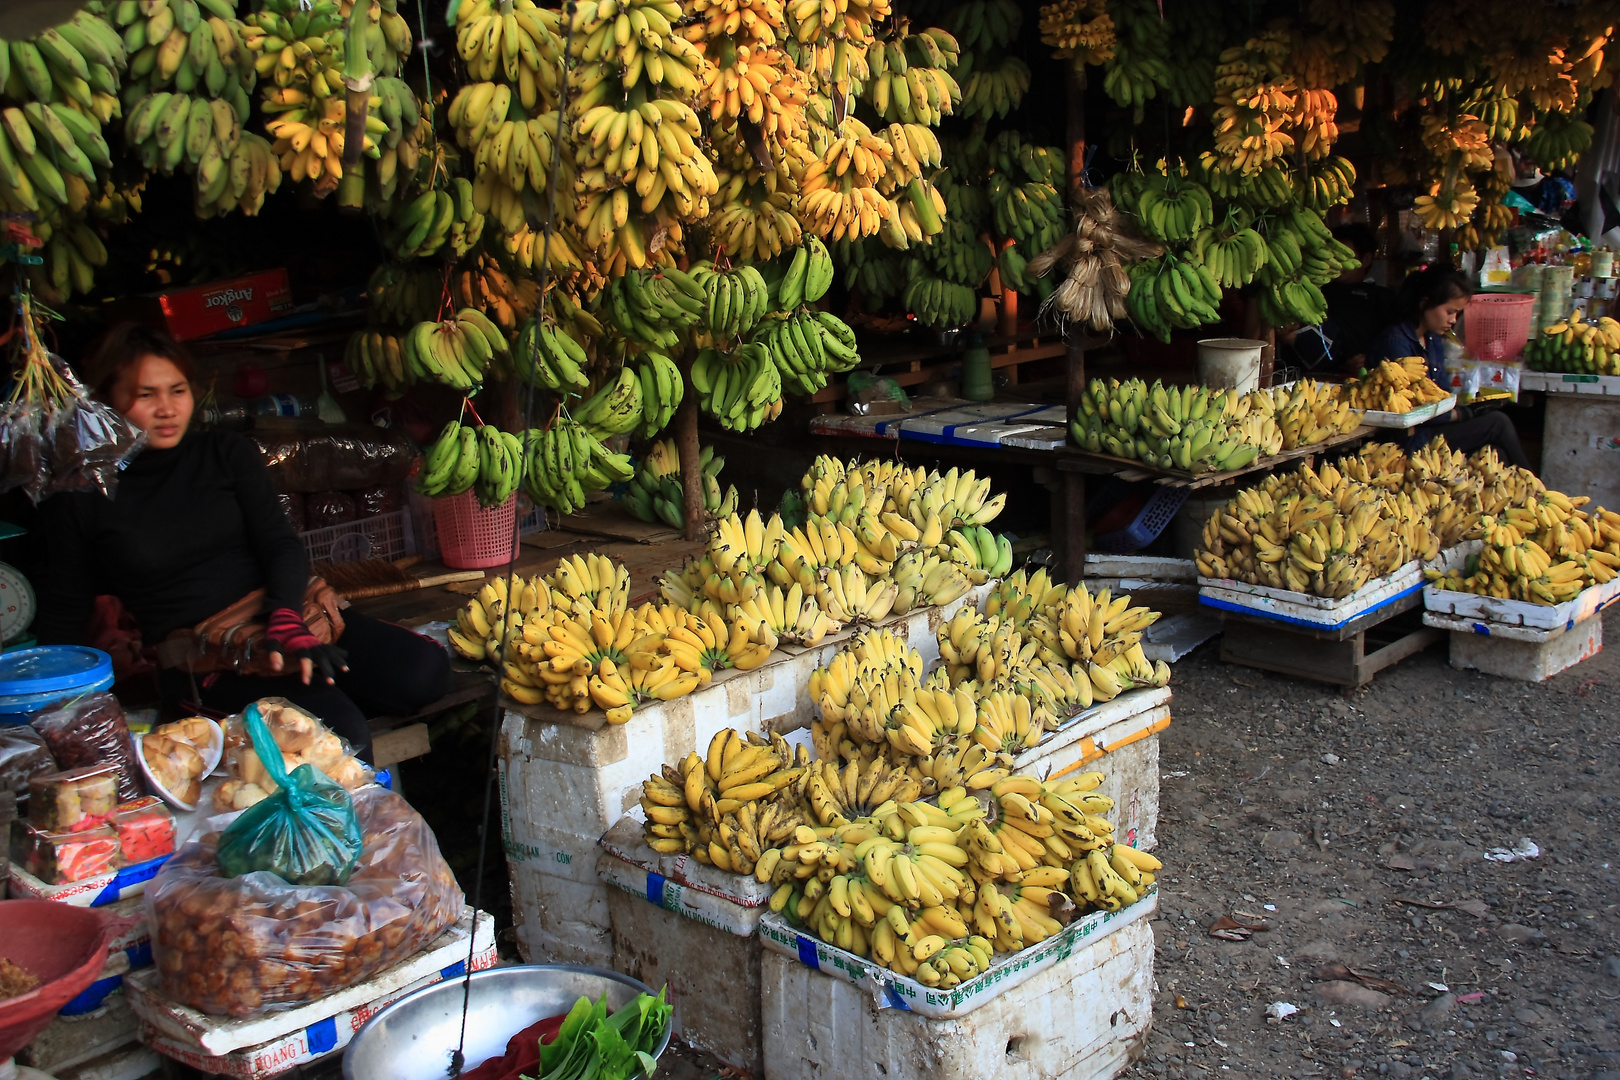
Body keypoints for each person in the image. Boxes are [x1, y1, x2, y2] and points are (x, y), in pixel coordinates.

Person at [33, 323, 453, 762]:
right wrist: (49, 708)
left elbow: (281, 544)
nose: (166, 409)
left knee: (424, 673)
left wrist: (286, 618)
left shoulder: (223, 453)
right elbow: (66, 608)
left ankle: (321, 695)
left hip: (281, 619)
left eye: (176, 390)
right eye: (145, 395)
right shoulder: (83, 495)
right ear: (106, 402)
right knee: (337, 739)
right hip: (205, 658)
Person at [1366, 266, 1533, 469]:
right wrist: (1462, 414)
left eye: (1457, 314)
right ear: (1425, 304)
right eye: (1450, 312)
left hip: (1436, 428)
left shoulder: (1433, 339)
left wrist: (1469, 408)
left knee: (1495, 453)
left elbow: (1441, 393)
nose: (1453, 320)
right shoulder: (1395, 343)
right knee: (1498, 423)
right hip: (1409, 439)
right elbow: (1411, 407)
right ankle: (1538, 490)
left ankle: (1524, 493)